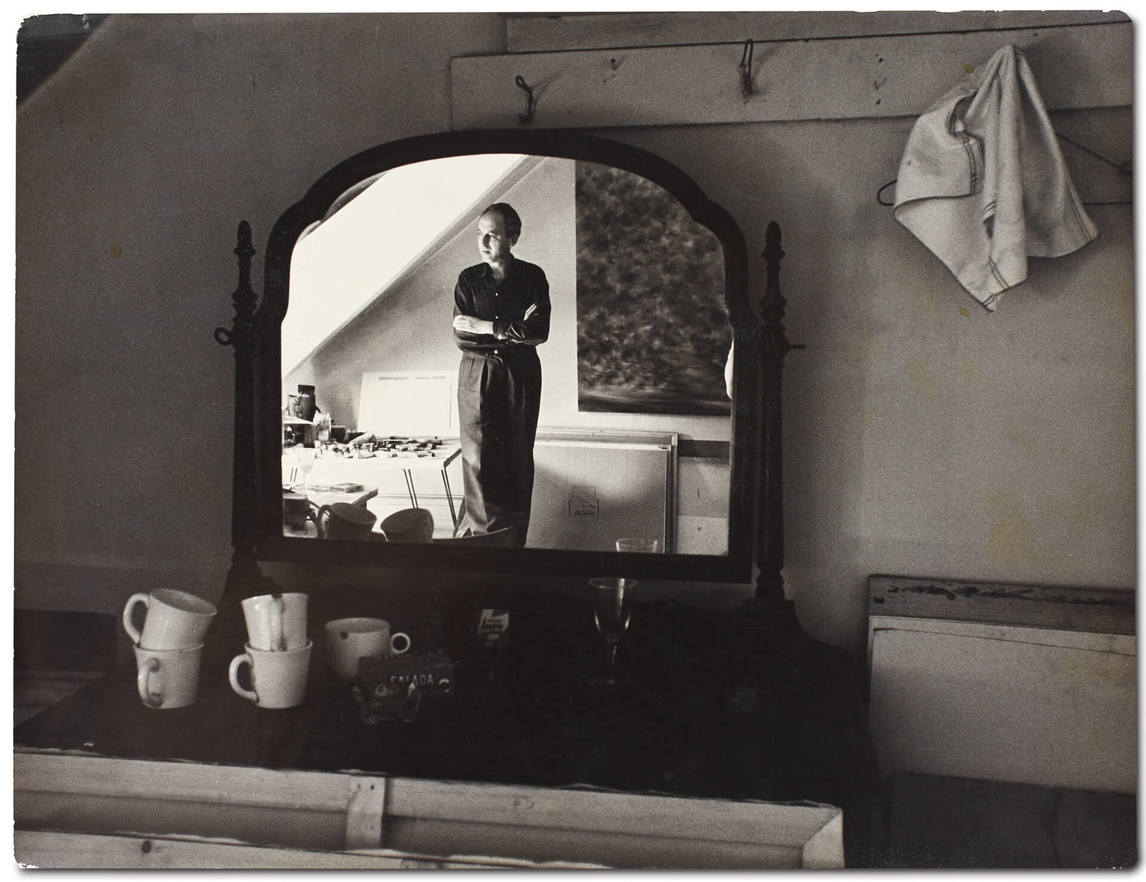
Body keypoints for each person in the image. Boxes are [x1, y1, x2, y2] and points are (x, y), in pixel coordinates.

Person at [451, 203, 550, 546]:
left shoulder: (532, 277)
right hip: (477, 373)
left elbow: (539, 331)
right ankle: (482, 541)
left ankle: (512, 545)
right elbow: (461, 335)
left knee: (518, 457)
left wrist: (486, 326)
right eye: (480, 233)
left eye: (493, 234)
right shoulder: (467, 280)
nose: (484, 241)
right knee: (477, 459)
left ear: (513, 237)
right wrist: (509, 330)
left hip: (520, 375)